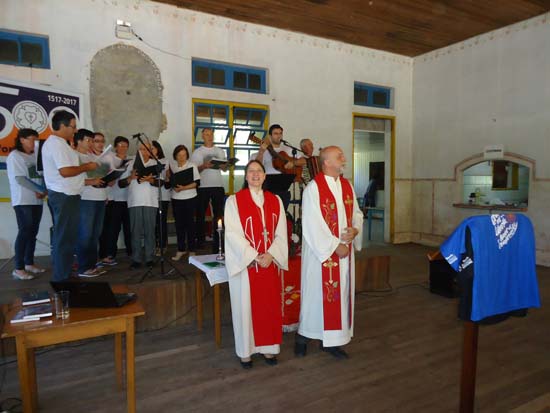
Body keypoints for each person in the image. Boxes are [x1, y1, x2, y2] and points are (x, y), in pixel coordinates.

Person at [295, 146, 363, 359]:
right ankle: (304, 336)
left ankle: (332, 342)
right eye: (339, 156)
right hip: (320, 255)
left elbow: (357, 214)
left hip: (345, 254)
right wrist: (335, 246)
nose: (343, 158)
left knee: (340, 296)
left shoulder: (347, 185)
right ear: (327, 162)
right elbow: (312, 224)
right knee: (316, 296)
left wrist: (355, 230)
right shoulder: (313, 189)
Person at [224, 160, 288, 368]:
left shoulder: (275, 200)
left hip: (268, 264)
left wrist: (271, 255)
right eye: (250, 171)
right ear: (245, 176)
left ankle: (269, 349)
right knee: (245, 308)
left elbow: (281, 232)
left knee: (268, 307)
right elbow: (232, 234)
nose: (255, 175)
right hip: (247, 266)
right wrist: (252, 256)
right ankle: (246, 352)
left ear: (265, 175)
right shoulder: (234, 201)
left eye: (259, 171)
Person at [42, 110, 97, 281]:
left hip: (70, 195)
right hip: (63, 196)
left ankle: (64, 274)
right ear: (63, 126)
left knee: (68, 238)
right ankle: (61, 279)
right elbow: (65, 171)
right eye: (73, 127)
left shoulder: (62, 144)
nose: (75, 130)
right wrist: (86, 167)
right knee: (64, 239)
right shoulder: (56, 144)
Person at [6, 128, 47, 280]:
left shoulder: (37, 156)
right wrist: (39, 189)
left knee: (33, 232)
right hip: (23, 200)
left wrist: (43, 190)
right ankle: (18, 268)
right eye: (31, 139)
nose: (34, 143)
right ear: (22, 139)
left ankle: (29, 263)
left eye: (37, 140)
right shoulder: (15, 156)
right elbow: (20, 179)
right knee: (25, 231)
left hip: (37, 200)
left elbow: (43, 174)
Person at [73, 129, 107, 277]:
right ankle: (82, 267)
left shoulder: (92, 157)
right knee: (85, 234)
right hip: (85, 199)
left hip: (100, 197)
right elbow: (72, 178)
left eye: (92, 140)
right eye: (88, 140)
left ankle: (92, 266)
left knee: (95, 234)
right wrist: (92, 181)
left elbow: (101, 177)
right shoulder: (74, 156)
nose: (91, 143)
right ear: (79, 141)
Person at [120, 143, 158, 269]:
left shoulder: (155, 164)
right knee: (135, 231)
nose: (143, 151)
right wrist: (130, 177)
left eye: (146, 149)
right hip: (135, 202)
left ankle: (149, 258)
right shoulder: (130, 163)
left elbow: (161, 183)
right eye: (141, 149)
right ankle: (136, 259)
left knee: (150, 231)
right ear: (137, 151)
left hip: (150, 202)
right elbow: (121, 183)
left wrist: (150, 180)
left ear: (150, 151)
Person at [251, 124, 305, 211]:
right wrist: (261, 151)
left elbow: (303, 161)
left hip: (284, 187)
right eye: (276, 133)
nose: (279, 136)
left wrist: (293, 163)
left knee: (282, 215)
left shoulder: (288, 149)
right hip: (267, 188)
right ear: (270, 136)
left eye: (280, 133)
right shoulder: (263, 150)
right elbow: (257, 166)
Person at [190, 128, 227, 252]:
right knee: (200, 215)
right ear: (202, 136)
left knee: (218, 215)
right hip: (202, 187)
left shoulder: (220, 151)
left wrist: (225, 165)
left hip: (218, 186)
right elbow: (194, 171)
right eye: (206, 134)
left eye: (211, 134)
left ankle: (218, 242)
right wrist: (204, 166)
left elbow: (225, 169)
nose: (209, 136)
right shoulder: (197, 152)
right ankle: (200, 242)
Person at [100, 136, 132, 265]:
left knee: (129, 228)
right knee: (113, 229)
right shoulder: (109, 158)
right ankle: (110, 254)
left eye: (125, 145)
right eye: (120, 145)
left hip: (129, 199)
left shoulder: (131, 160)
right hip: (114, 198)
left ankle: (131, 251)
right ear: (115, 146)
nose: (123, 148)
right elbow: (105, 177)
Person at [170, 145, 200, 260]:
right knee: (179, 225)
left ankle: (192, 250)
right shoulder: (172, 167)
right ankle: (181, 249)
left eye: (184, 155)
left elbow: (196, 183)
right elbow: (170, 183)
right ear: (175, 156)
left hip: (190, 198)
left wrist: (183, 188)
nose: (182, 157)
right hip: (176, 199)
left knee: (190, 225)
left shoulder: (192, 166)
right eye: (179, 155)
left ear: (187, 155)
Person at [151, 140, 171, 254]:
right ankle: (155, 245)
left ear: (158, 149)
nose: (152, 150)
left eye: (153, 148)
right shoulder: (147, 161)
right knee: (153, 222)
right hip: (151, 196)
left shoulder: (165, 161)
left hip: (163, 195)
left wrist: (168, 178)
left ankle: (163, 245)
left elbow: (168, 177)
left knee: (161, 221)